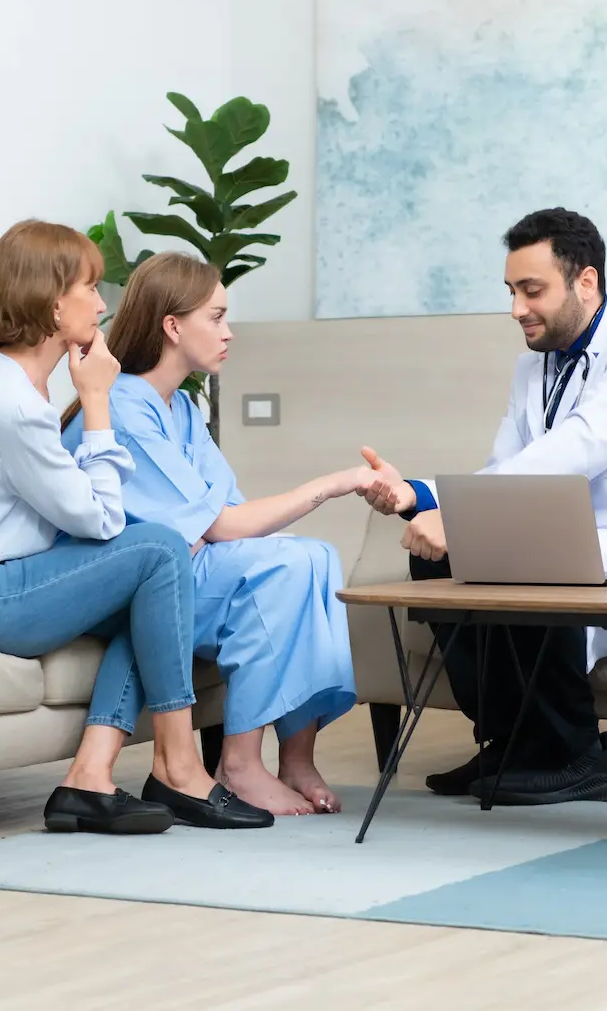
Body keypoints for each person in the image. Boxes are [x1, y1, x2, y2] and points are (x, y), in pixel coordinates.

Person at [360, 207, 607, 806]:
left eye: (532, 290)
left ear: (586, 282)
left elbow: (581, 447)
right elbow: (503, 471)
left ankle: (578, 757)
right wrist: (419, 496)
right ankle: (510, 741)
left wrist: (461, 518)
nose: (517, 308)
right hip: (590, 540)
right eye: (512, 291)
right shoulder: (533, 369)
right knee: (437, 562)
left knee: (531, 554)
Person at [0, 220, 271, 834]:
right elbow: (102, 520)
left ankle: (89, 778)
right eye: (91, 288)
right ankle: (179, 765)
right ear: (54, 302)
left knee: (155, 583)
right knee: (157, 549)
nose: (103, 305)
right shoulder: (13, 405)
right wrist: (97, 400)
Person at [62, 252, 368, 816]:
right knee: (286, 566)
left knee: (318, 555)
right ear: (173, 326)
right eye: (217, 318)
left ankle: (297, 758)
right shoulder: (125, 409)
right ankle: (239, 764)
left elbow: (225, 517)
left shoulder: (179, 408)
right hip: (126, 589)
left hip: (184, 568)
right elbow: (224, 525)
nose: (229, 334)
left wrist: (209, 531)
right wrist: (336, 483)